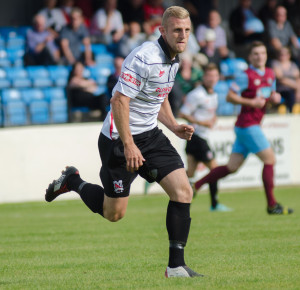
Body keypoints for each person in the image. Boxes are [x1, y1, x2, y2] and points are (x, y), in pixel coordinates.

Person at [45, 6, 203, 278]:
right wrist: (129, 145)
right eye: (177, 29)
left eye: (187, 30)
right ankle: (73, 181)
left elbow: (158, 95)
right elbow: (119, 100)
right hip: (119, 138)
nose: (183, 35)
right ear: (162, 31)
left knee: (183, 191)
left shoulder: (174, 59)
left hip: (150, 135)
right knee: (114, 213)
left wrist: (174, 125)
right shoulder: (144, 57)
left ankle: (176, 266)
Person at [192, 41, 293, 215]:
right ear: (250, 57)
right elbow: (230, 97)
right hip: (248, 125)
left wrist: (274, 100)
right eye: (255, 54)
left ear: (266, 55)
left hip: (246, 126)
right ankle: (272, 205)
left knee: (232, 167)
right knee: (270, 160)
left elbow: (267, 100)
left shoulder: (270, 74)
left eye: (262, 53)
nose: (259, 56)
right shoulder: (245, 75)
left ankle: (195, 186)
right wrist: (250, 102)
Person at [179, 63, 232, 212]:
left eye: (215, 76)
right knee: (214, 170)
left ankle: (182, 202)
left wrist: (213, 119)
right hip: (197, 137)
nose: (212, 79)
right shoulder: (196, 95)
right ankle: (214, 204)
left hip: (199, 138)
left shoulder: (214, 94)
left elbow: (211, 112)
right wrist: (202, 122)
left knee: (190, 173)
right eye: (209, 76)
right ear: (204, 77)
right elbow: (183, 113)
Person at [271, 46, 300, 112]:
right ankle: (291, 112)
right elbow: (281, 79)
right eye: (281, 54)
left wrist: (298, 90)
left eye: (285, 54)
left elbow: (298, 77)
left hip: (294, 89)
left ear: (289, 55)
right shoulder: (275, 63)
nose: (283, 56)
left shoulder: (293, 64)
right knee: (290, 94)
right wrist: (297, 87)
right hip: (281, 89)